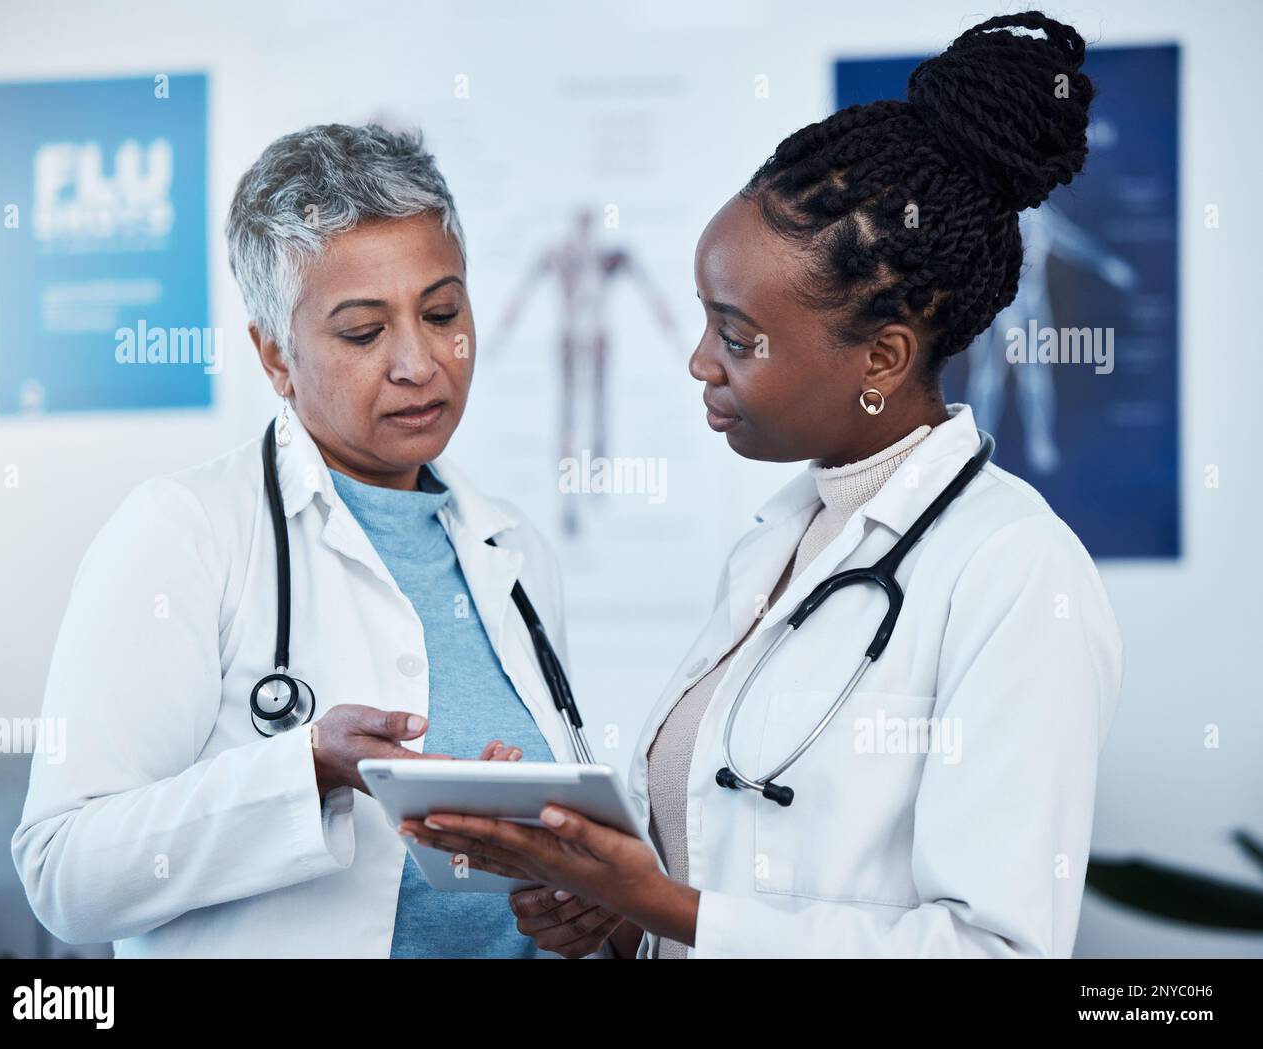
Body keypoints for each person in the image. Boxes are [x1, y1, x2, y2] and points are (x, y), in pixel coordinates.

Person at [401, 11, 1124, 959]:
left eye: (737, 337)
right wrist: (615, 915)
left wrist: (669, 910)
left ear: (883, 357)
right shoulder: (778, 544)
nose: (701, 362)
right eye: (708, 323)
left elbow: (995, 952)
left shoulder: (1019, 575)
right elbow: (721, 879)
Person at [12, 123, 576, 958]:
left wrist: (592, 911)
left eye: (442, 312)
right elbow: (64, 872)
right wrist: (303, 770)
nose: (420, 362)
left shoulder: (512, 545)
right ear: (274, 355)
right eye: (362, 332)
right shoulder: (185, 532)